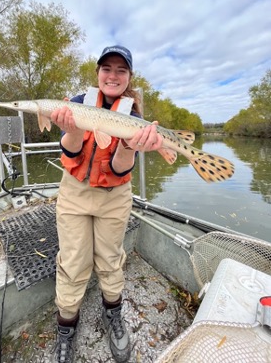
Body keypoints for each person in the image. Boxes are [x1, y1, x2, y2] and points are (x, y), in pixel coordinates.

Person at [50, 45, 163, 362]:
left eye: (121, 70)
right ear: (98, 73)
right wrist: (71, 129)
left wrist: (129, 145)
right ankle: (66, 325)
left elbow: (118, 169)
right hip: (74, 193)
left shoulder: (134, 117)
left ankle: (112, 313)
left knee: (111, 258)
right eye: (107, 68)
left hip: (114, 197)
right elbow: (72, 154)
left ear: (128, 78)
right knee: (73, 259)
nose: (112, 75)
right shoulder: (76, 104)